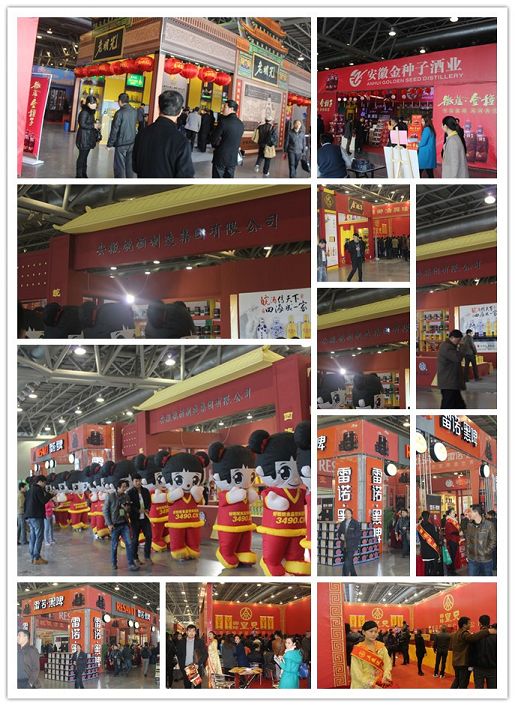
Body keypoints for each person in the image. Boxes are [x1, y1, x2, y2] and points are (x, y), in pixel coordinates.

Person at [133, 90, 194, 178]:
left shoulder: (142, 133)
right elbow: (185, 177)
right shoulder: (181, 141)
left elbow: (135, 167)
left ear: (159, 108)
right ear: (180, 112)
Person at [103, 479, 140, 571]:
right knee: (114, 545)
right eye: (123, 486)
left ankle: (131, 564)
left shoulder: (126, 496)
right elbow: (105, 511)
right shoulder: (110, 496)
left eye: (126, 487)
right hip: (114, 525)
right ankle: (114, 563)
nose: (125, 488)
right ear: (118, 487)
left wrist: (127, 509)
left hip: (124, 524)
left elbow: (128, 510)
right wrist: (109, 524)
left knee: (129, 543)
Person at [450, 616, 493, 688]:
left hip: (456, 662)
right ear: (464, 625)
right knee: (463, 683)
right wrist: (487, 631)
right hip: (463, 663)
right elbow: (472, 638)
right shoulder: (464, 633)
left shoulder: (455, 634)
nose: (470, 625)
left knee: (457, 680)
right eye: (469, 623)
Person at [350, 621, 392, 689]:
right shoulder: (358, 649)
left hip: (380, 682)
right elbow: (356, 672)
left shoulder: (381, 647)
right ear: (363, 632)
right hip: (364, 685)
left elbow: (387, 664)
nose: (373, 634)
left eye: (376, 632)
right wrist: (371, 684)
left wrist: (386, 675)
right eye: (371, 631)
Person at [24, 476, 55, 565]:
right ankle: (37, 557)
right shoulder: (38, 489)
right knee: (39, 537)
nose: (44, 485)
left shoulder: (30, 490)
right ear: (40, 481)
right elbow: (43, 501)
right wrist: (50, 495)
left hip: (29, 516)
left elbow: (26, 503)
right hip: (37, 516)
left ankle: (33, 557)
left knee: (33, 536)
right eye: (44, 483)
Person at [211, 100, 245, 178]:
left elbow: (213, 139)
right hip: (233, 158)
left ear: (231, 109)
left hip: (220, 157)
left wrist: (216, 145)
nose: (223, 109)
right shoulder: (241, 124)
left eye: (225, 107)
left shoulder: (223, 122)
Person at [107, 92, 137, 178]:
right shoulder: (134, 111)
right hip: (132, 143)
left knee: (119, 167)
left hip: (121, 144)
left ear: (120, 101)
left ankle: (119, 183)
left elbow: (114, 130)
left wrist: (110, 144)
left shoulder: (119, 113)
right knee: (129, 166)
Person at [127, 474, 152, 566]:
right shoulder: (129, 493)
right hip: (135, 519)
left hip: (145, 518)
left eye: (139, 481)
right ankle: (135, 558)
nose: (138, 483)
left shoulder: (145, 491)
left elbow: (149, 502)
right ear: (133, 482)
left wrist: (147, 509)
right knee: (135, 539)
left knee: (149, 536)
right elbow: (129, 505)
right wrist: (137, 510)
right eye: (136, 481)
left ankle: (147, 556)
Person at [464, 504, 496, 576]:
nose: (468, 514)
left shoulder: (489, 524)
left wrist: (485, 552)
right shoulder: (469, 525)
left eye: (470, 511)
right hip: (472, 559)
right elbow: (468, 541)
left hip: (485, 559)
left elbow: (493, 541)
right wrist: (467, 554)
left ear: (476, 512)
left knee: (487, 580)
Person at [437, 329, 466, 409]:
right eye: (458, 340)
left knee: (459, 405)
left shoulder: (451, 346)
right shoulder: (446, 347)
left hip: (452, 382)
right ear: (452, 338)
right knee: (448, 405)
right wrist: (462, 348)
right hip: (448, 382)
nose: (459, 342)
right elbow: (457, 358)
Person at [176, 624, 207, 689]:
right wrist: (182, 666)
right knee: (187, 686)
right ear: (186, 632)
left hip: (195, 667)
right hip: (186, 668)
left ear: (195, 632)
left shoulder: (200, 642)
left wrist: (198, 664)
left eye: (193, 631)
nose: (191, 633)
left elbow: (205, 654)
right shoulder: (181, 642)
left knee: (197, 687)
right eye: (190, 631)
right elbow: (179, 654)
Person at [75, 95, 100, 177]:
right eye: (92, 103)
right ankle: (79, 176)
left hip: (88, 138)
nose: (94, 105)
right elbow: (82, 124)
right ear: (88, 104)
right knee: (82, 157)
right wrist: (93, 126)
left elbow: (88, 123)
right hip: (83, 138)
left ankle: (84, 174)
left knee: (85, 157)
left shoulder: (91, 112)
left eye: (95, 103)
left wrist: (95, 125)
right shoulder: (84, 112)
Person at [469, 616, 496, 689]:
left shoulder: (475, 636)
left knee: (479, 688)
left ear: (479, 623)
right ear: (489, 622)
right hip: (493, 668)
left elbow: (471, 653)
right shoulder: (496, 636)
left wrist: (470, 667)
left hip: (478, 668)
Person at [337, 508, 361, 576]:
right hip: (344, 546)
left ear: (351, 514)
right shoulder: (342, 523)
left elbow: (357, 534)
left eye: (348, 513)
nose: (347, 514)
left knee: (346, 563)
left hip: (352, 546)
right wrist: (340, 537)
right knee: (349, 562)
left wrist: (346, 536)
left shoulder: (355, 523)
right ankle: (354, 575)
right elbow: (339, 533)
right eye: (346, 513)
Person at [417, 510, 441, 576]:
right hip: (432, 549)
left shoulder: (419, 527)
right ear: (429, 517)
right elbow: (436, 538)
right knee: (433, 567)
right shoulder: (431, 526)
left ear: (422, 517)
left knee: (426, 567)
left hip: (424, 549)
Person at [444, 508, 461, 575]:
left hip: (455, 540)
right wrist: (458, 533)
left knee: (454, 555)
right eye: (453, 512)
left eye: (454, 512)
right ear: (449, 514)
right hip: (452, 541)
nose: (454, 514)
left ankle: (452, 570)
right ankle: (451, 571)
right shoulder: (449, 521)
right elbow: (451, 532)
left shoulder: (454, 521)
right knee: (452, 556)